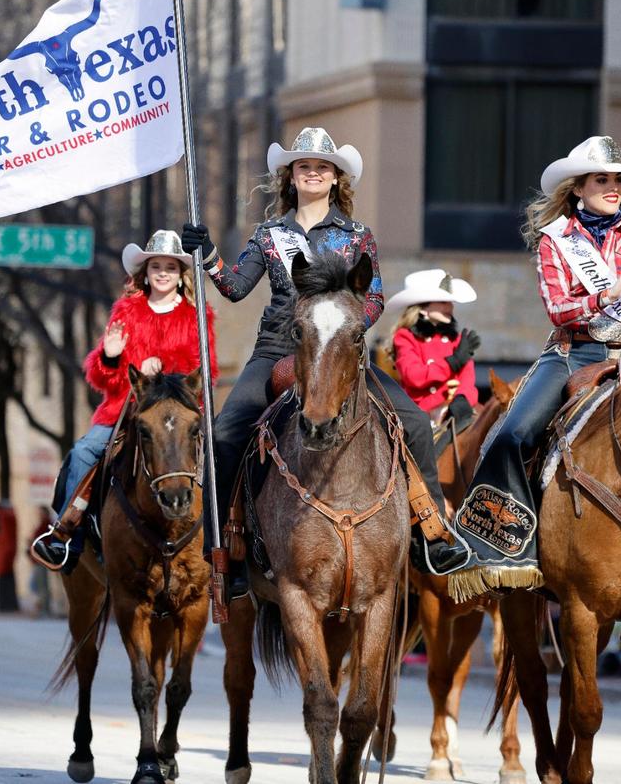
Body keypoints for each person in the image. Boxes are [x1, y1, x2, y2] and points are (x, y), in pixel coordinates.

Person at [181, 126, 469, 595]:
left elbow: (373, 297)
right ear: (290, 177)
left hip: (340, 351)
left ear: (336, 178)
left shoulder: (358, 236)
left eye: (321, 167)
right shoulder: (269, 235)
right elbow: (234, 288)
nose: (312, 173)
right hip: (279, 347)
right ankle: (226, 553)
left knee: (414, 422)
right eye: (303, 166)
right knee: (226, 434)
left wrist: (350, 323)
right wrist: (209, 255)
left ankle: (430, 534)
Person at [450, 136, 621, 592]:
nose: (614, 188)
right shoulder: (556, 241)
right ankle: (509, 541)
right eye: (601, 179)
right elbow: (558, 309)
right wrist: (606, 296)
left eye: (618, 180)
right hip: (572, 352)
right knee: (511, 435)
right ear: (578, 188)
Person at [30, 230, 218, 570]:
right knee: (85, 451)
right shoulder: (127, 312)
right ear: (144, 273)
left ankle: (226, 542)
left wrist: (163, 378)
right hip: (125, 410)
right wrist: (113, 357)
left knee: (222, 454)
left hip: (178, 412)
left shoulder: (197, 315)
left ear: (181, 274)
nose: (163, 273)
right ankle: (67, 535)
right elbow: (101, 379)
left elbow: (205, 371)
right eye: (156, 266)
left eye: (171, 267)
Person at [385, 269, 480, 428]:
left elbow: (468, 380)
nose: (450, 307)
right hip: (421, 416)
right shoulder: (405, 337)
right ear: (422, 307)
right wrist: (451, 364)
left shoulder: (455, 340)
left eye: (450, 302)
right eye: (443, 302)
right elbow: (414, 376)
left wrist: (461, 399)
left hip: (455, 411)